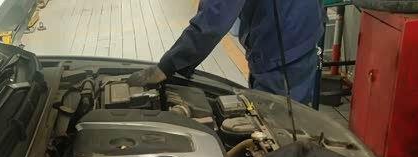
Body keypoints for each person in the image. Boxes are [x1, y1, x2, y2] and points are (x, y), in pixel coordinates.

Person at [129, 0, 323, 105]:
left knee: (279, 126)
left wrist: (168, 66)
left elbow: (214, 17)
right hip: (303, 29)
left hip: (283, 47)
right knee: (297, 119)